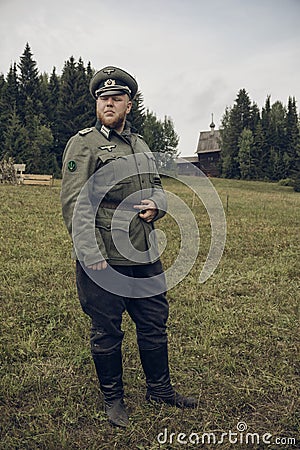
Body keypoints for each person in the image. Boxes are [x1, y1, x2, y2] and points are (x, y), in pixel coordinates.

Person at [60, 66, 197, 428]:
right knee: (107, 329)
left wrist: (158, 205)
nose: (108, 102)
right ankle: (113, 400)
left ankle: (160, 390)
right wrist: (91, 256)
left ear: (129, 105)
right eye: (103, 98)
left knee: (153, 321)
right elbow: (75, 204)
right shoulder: (84, 143)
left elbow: (155, 186)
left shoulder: (139, 145)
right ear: (96, 104)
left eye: (116, 98)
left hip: (144, 250)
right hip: (105, 254)